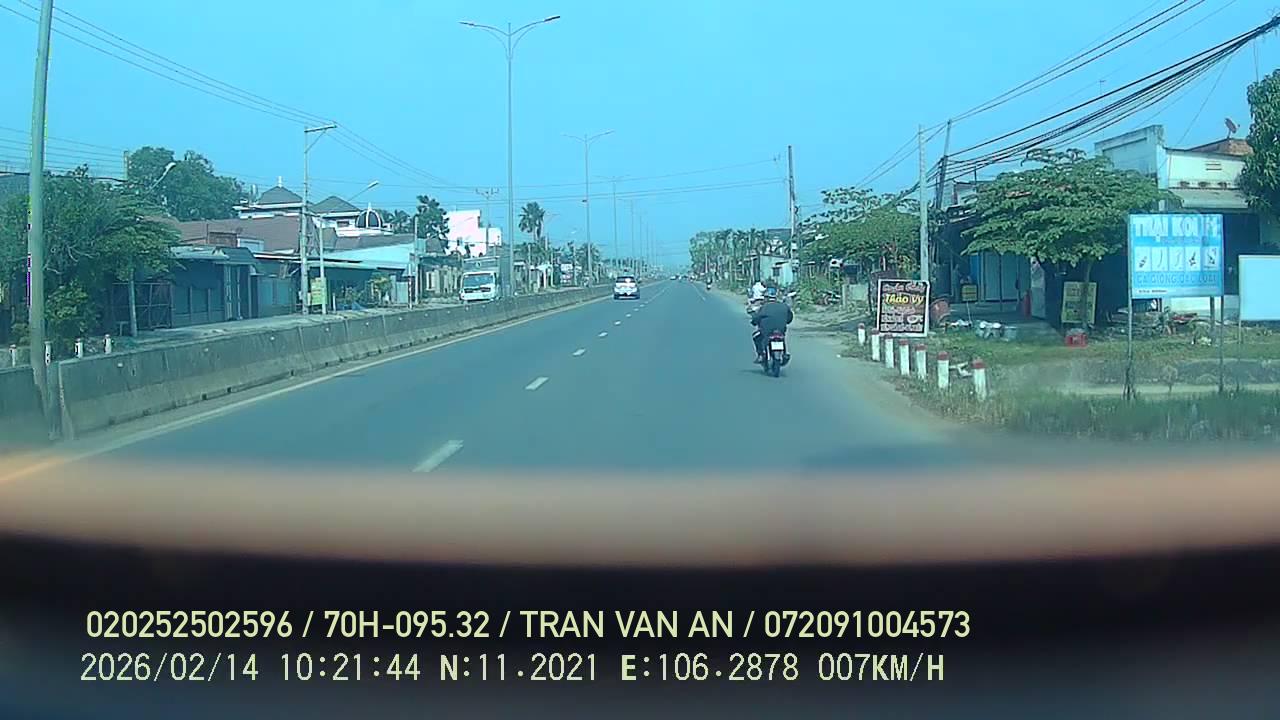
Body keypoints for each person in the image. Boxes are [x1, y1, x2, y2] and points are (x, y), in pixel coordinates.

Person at [750, 284, 793, 363]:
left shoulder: (763, 307)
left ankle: (760, 355)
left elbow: (756, 318)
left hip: (766, 331)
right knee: (782, 338)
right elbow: (790, 318)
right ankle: (784, 353)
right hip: (780, 330)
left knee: (756, 337)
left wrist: (754, 322)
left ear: (766, 297)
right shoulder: (784, 306)